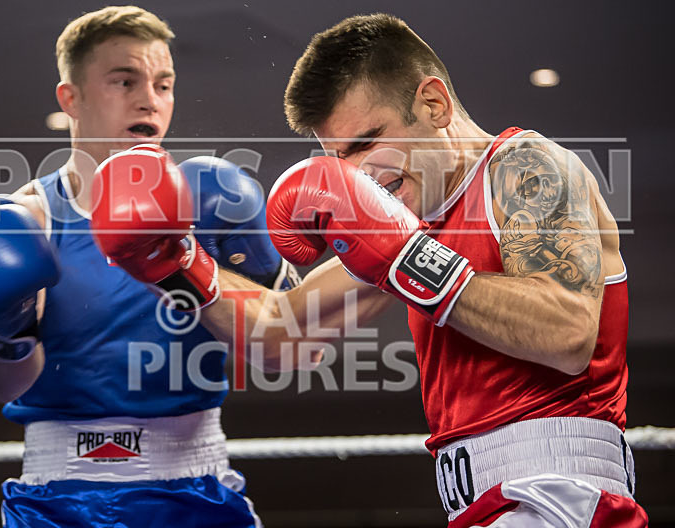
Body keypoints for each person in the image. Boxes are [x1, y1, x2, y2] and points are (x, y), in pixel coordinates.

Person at [91, 13, 648, 528]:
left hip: (563, 494)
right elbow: (284, 330)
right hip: (486, 501)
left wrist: (403, 255)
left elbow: (568, 333)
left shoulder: (526, 166)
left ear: (433, 103)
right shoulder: (403, 224)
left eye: (367, 142)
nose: (357, 174)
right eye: (340, 158)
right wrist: (178, 266)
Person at [0, 6, 300, 527]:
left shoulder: (211, 204)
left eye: (163, 84)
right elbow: (3, 385)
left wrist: (198, 262)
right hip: (56, 499)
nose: (148, 100)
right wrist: (0, 329)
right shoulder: (28, 221)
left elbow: (287, 353)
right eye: (124, 81)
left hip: (195, 491)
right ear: (71, 98)